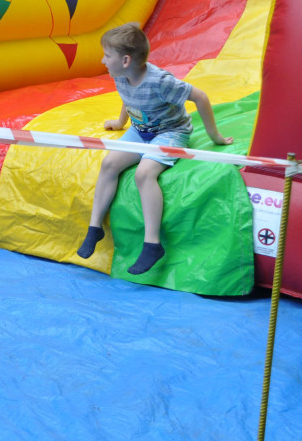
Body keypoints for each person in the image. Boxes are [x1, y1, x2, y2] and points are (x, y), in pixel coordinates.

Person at [76, 23, 232, 274]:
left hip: (171, 132)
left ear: (125, 59)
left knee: (143, 173)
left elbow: (200, 96)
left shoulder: (160, 81)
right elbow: (130, 98)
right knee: (109, 164)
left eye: (107, 55)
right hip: (140, 131)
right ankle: (95, 228)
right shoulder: (122, 75)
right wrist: (120, 123)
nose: (103, 60)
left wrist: (216, 136)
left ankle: (152, 244)